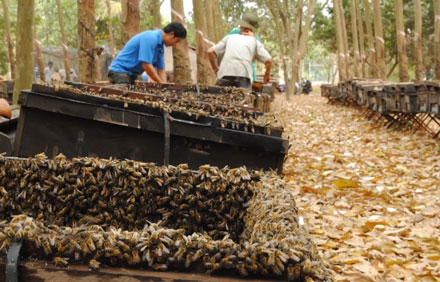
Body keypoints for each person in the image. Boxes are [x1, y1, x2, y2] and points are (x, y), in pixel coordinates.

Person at [108, 22, 187, 85]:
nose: (174, 44)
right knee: (124, 93)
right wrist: (160, 83)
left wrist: (165, 87)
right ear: (171, 34)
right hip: (119, 71)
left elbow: (161, 69)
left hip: (132, 75)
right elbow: (146, 65)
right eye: (176, 41)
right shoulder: (150, 38)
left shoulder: (160, 47)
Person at [207, 20, 272, 90]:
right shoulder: (255, 41)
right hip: (244, 76)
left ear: (241, 27)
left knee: (219, 98)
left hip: (225, 74)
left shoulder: (229, 37)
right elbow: (269, 60)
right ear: (252, 30)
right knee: (243, 99)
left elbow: (210, 51)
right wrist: (267, 74)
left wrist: (215, 68)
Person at [225, 12, 261, 82]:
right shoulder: (234, 32)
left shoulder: (255, 38)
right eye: (242, 26)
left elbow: (255, 58)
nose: (242, 28)